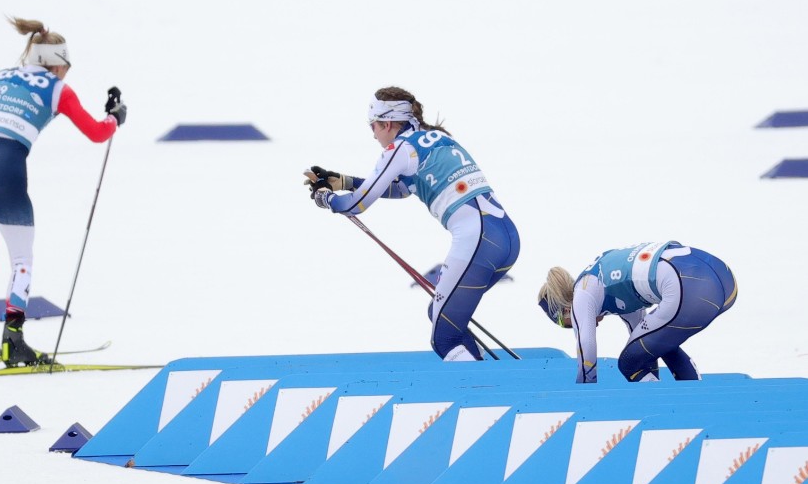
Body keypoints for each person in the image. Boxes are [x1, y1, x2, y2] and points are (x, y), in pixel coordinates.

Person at [0, 16, 127, 366]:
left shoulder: (0, 77)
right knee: (21, 258)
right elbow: (97, 133)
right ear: (56, 65)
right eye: (65, 68)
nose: (65, 75)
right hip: (3, 166)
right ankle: (14, 339)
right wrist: (115, 117)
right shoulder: (59, 90)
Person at [304, 86, 520, 361]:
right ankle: (491, 379)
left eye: (373, 126)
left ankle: (482, 389)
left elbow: (357, 204)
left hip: (479, 241)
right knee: (443, 318)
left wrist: (326, 198)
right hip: (506, 239)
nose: (373, 134)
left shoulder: (400, 149)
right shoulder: (434, 138)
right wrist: (344, 181)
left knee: (444, 338)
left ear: (387, 123)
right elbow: (404, 188)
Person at [537, 241, 737, 383]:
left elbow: (586, 346)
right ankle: (694, 394)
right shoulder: (609, 286)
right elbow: (647, 345)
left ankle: (663, 404)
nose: (574, 323)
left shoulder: (583, 292)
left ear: (565, 309)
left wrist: (584, 395)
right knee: (659, 344)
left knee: (628, 363)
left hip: (688, 283)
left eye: (565, 323)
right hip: (721, 278)